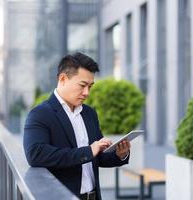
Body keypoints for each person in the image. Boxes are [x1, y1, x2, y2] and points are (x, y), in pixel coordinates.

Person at [23, 52, 131, 200]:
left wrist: (120, 154)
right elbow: (36, 154)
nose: (87, 93)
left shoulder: (89, 113)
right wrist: (88, 151)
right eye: (82, 85)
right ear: (63, 79)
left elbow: (97, 157)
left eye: (90, 86)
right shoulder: (40, 114)